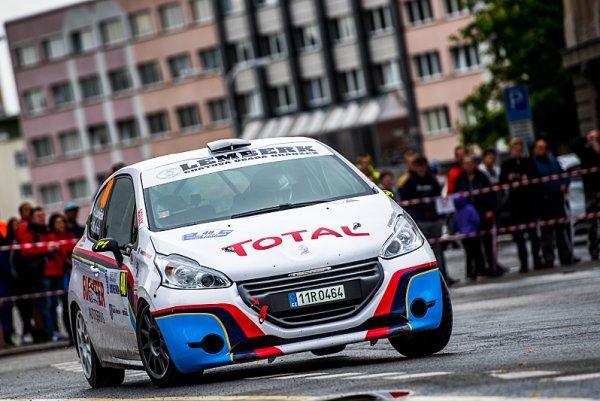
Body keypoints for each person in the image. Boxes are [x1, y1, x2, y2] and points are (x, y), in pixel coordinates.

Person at [400, 156, 457, 286]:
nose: (421, 168)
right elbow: (406, 203)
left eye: (423, 164)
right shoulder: (409, 182)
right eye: (418, 165)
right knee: (423, 252)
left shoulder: (432, 180)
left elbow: (439, 199)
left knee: (438, 250)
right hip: (420, 222)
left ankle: (443, 276)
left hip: (434, 220)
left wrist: (440, 218)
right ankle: (427, 280)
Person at [499, 138, 544, 272]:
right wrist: (510, 180)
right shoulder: (506, 165)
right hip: (516, 205)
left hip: (528, 203)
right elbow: (501, 182)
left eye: (519, 149)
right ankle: (524, 263)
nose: (517, 152)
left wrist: (526, 180)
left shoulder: (528, 162)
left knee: (533, 235)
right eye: (514, 149)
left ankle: (537, 260)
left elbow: (536, 179)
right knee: (519, 237)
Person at [533, 139, 579, 267]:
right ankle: (549, 258)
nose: (543, 150)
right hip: (544, 202)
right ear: (535, 150)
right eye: (540, 148)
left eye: (544, 147)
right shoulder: (534, 164)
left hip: (557, 200)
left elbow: (563, 175)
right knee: (546, 232)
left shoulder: (553, 162)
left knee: (562, 230)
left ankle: (566, 256)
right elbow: (537, 183)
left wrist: (564, 184)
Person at [454, 155, 502, 276]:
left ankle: (492, 267)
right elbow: (455, 198)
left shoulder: (482, 177)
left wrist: (491, 210)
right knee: (473, 247)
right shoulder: (460, 179)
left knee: (488, 243)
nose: (468, 166)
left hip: (483, 214)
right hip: (468, 218)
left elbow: (491, 195)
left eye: (471, 163)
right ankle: (478, 269)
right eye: (466, 163)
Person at [14, 207, 56, 343]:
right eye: (38, 216)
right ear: (32, 218)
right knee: (43, 305)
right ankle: (48, 333)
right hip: (38, 274)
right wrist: (46, 248)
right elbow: (26, 250)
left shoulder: (45, 230)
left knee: (52, 304)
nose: (42, 218)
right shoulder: (28, 230)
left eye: (43, 215)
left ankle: (52, 331)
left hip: (52, 271)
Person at [41, 214, 75, 342]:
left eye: (62, 222)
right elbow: (62, 253)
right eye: (57, 222)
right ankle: (55, 331)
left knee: (68, 305)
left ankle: (71, 333)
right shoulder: (50, 237)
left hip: (68, 273)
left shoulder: (69, 236)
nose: (60, 225)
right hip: (56, 274)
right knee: (53, 305)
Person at [572, 129, 600, 261]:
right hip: (591, 190)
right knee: (592, 222)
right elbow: (574, 145)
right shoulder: (586, 151)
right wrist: (587, 139)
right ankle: (594, 249)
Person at [453, 196, 486, 281]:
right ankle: (480, 271)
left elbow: (455, 224)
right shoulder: (470, 209)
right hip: (473, 234)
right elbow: (476, 220)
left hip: (464, 237)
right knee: (478, 254)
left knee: (469, 255)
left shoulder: (456, 212)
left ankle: (470, 273)